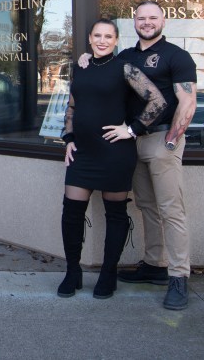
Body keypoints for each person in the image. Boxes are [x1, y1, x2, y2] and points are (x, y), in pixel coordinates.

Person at [77, 0, 198, 310]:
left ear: (164, 20)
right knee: (146, 205)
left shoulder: (177, 56)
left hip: (160, 139)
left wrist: (172, 141)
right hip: (129, 142)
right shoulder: (127, 56)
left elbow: (187, 102)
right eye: (141, 18)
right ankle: (155, 264)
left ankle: (178, 277)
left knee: (172, 209)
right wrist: (86, 59)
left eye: (153, 18)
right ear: (133, 21)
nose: (146, 22)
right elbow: (104, 70)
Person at [59, 18, 167, 300]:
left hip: (114, 153)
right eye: (97, 35)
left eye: (108, 36)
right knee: (71, 212)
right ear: (90, 38)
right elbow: (72, 106)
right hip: (83, 152)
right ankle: (73, 271)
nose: (102, 40)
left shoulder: (126, 68)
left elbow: (157, 101)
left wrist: (131, 129)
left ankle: (108, 273)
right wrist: (69, 139)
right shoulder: (80, 67)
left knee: (115, 214)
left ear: (116, 40)